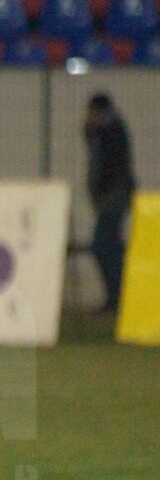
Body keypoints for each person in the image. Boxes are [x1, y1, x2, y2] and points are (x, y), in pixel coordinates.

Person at [84, 92, 136, 314]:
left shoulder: (111, 130)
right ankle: (117, 297)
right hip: (111, 197)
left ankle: (117, 297)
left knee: (103, 245)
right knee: (110, 245)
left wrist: (102, 195)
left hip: (113, 197)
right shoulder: (107, 129)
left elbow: (109, 167)